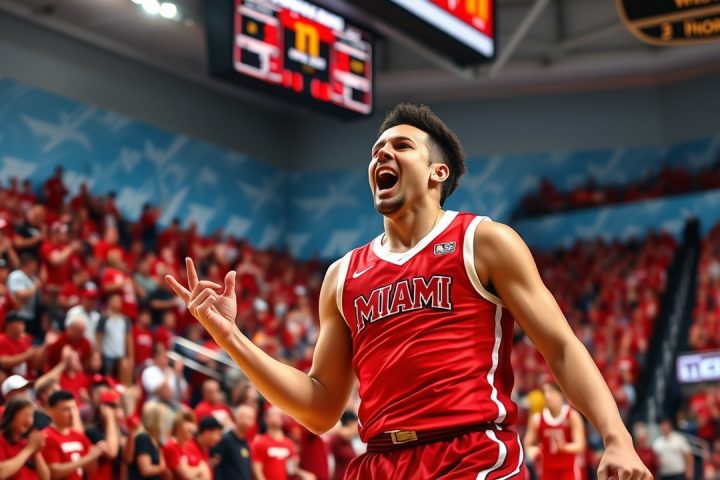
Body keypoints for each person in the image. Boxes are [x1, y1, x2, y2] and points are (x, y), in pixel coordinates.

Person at [166, 103, 652, 479]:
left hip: (470, 455)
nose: (382, 154)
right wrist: (232, 337)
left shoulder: (483, 241)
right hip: (379, 462)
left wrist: (617, 437)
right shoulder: (342, 275)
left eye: (400, 146)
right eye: (377, 150)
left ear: (438, 173)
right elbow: (319, 408)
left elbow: (561, 346)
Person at [524, 382, 586, 480]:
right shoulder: (537, 418)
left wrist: (564, 447)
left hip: (568, 469)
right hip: (547, 470)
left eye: (551, 392)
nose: (547, 396)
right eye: (544, 392)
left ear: (561, 393)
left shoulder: (572, 416)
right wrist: (531, 450)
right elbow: (528, 444)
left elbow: (580, 445)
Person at [42, 390, 105, 480]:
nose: (72, 414)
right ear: (51, 411)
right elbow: (54, 472)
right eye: (66, 409)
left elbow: (91, 468)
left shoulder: (79, 436)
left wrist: (97, 452)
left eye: (74, 408)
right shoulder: (47, 436)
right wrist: (89, 458)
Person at [250, 406, 313, 480]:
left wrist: (303, 474)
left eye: (280, 415)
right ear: (267, 418)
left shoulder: (288, 443)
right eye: (275, 414)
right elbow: (257, 471)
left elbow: (292, 470)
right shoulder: (260, 442)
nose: (279, 417)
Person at [0, 398, 50, 479]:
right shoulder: (1, 440)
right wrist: (30, 449)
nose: (29, 421)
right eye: (26, 415)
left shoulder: (25, 442)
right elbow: (2, 473)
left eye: (31, 416)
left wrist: (36, 451)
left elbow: (45, 477)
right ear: (12, 415)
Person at [162, 408, 210, 480]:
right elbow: (187, 475)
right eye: (187, 422)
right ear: (178, 427)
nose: (192, 428)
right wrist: (201, 469)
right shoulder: (170, 446)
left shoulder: (186, 445)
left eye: (191, 422)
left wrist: (201, 468)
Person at [212, 405, 255, 480]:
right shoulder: (225, 439)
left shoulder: (245, 442)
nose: (247, 420)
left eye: (250, 418)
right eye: (243, 416)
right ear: (236, 417)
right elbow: (214, 463)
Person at [128, 402, 168, 480]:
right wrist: (161, 467)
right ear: (156, 420)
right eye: (164, 419)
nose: (165, 423)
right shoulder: (143, 438)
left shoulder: (155, 439)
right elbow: (145, 470)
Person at [329, 411, 359, 480]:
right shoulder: (336, 438)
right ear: (350, 423)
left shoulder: (349, 440)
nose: (357, 428)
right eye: (355, 425)